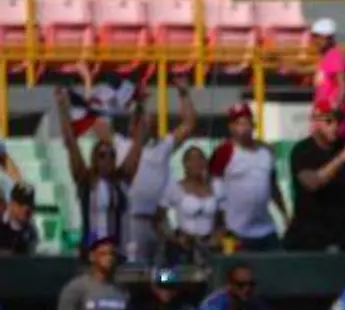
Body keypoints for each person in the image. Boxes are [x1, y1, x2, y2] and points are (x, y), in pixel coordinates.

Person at [55, 87, 145, 255]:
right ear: (94, 158)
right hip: (91, 248)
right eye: (102, 155)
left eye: (112, 155)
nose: (108, 159)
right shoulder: (86, 180)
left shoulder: (120, 181)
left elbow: (137, 147)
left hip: (117, 250)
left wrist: (140, 106)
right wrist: (62, 109)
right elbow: (71, 144)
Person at [124, 78, 195, 264]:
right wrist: (139, 103)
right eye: (142, 122)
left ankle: (164, 292)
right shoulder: (123, 147)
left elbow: (188, 124)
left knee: (164, 274)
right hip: (132, 222)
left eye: (150, 123)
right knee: (135, 272)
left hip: (158, 222)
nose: (147, 125)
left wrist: (184, 94)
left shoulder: (162, 147)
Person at [286, 101, 345, 252]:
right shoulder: (302, 150)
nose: (335, 126)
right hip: (310, 234)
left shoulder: (343, 146)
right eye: (328, 121)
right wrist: (343, 157)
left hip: (343, 232)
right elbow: (313, 182)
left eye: (338, 121)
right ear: (315, 122)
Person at [208, 103, 289, 251]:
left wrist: (285, 214)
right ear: (231, 127)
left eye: (247, 122)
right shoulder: (224, 152)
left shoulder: (265, 152)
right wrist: (217, 226)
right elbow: (215, 191)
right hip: (236, 230)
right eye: (238, 123)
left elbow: (273, 186)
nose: (244, 128)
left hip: (266, 228)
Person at [156, 146, 225, 265]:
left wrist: (218, 235)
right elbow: (158, 218)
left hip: (209, 246)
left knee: (209, 278)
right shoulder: (175, 187)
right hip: (184, 245)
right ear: (185, 164)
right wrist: (173, 238)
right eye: (192, 160)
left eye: (200, 159)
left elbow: (223, 218)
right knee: (169, 278)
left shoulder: (217, 186)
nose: (196, 163)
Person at [310, 18, 345, 139]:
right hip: (324, 120)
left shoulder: (335, 56)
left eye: (316, 37)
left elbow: (343, 88)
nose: (314, 41)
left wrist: (332, 117)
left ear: (326, 38)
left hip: (331, 125)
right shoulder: (326, 57)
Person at [0, 182, 38, 255]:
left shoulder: (30, 232)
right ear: (12, 204)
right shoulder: (2, 225)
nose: (25, 209)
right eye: (21, 204)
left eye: (29, 205)